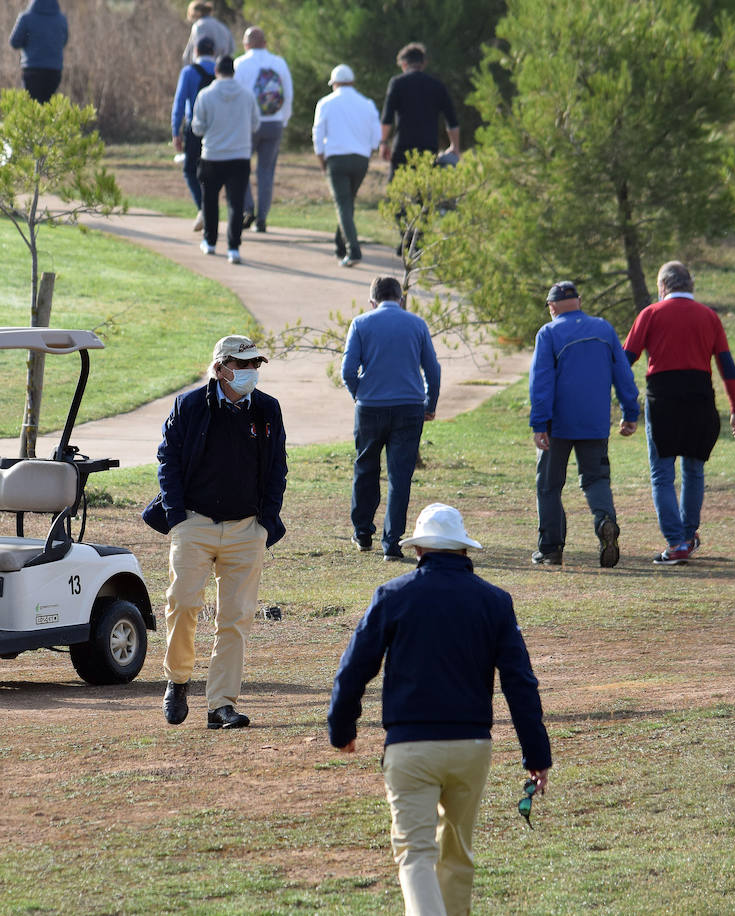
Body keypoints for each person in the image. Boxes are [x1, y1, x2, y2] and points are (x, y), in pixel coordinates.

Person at [328, 502, 552, 916]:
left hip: (410, 747)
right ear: (464, 551)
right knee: (457, 854)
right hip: (471, 747)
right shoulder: (495, 601)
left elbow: (354, 669)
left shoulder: (393, 596)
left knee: (415, 854)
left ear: (419, 551)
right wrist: (536, 755)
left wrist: (342, 728)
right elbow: (520, 682)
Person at [142, 335, 287, 730]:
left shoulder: (268, 410)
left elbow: (277, 470)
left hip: (247, 529)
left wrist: (265, 525)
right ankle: (177, 680)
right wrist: (176, 517)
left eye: (256, 364)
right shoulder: (189, 405)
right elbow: (167, 460)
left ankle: (221, 704)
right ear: (221, 368)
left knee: (235, 618)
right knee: (183, 603)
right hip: (194, 523)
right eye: (244, 365)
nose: (251, 372)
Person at [624, 261, 735, 565]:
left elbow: (625, 358)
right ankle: (688, 536)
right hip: (699, 396)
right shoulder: (709, 316)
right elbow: (727, 368)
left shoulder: (650, 314)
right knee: (694, 470)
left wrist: (620, 399)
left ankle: (676, 543)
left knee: (662, 474)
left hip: (663, 398)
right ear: (690, 285)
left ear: (663, 286)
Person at [528, 281, 640, 568]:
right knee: (596, 479)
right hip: (595, 421)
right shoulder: (603, 329)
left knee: (549, 485)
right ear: (579, 300)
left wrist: (539, 422)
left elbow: (541, 381)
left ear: (551, 307)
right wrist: (630, 412)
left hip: (558, 423)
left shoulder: (548, 333)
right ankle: (605, 521)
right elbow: (623, 374)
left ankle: (551, 549)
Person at [342, 275, 441, 562]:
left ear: (372, 301)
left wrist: (360, 394)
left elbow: (348, 370)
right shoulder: (417, 324)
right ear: (401, 298)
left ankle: (362, 533)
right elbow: (432, 370)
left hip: (370, 406)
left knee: (365, 467)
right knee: (400, 476)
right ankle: (392, 543)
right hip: (409, 406)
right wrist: (430, 403)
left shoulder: (361, 323)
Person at [191, 53, 259, 265]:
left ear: (216, 71)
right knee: (236, 203)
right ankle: (233, 248)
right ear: (233, 72)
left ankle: (210, 242)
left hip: (212, 155)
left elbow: (197, 127)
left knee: (209, 201)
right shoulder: (247, 95)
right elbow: (255, 124)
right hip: (239, 156)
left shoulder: (206, 95)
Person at [312, 64, 382, 267]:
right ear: (352, 82)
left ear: (334, 83)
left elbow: (318, 134)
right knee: (347, 202)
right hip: (361, 159)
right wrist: (368, 153)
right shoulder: (367, 103)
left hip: (336, 159)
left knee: (343, 204)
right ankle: (339, 245)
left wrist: (321, 161)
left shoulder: (325, 103)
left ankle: (354, 251)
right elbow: (375, 137)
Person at [233, 27, 293, 233]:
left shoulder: (240, 64)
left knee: (240, 167)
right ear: (265, 43)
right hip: (274, 123)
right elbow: (288, 94)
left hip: (248, 125)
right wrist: (282, 120)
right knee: (266, 172)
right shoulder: (279, 63)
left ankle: (247, 208)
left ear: (246, 44)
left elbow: (235, 96)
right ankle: (262, 219)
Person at [380, 42, 460, 177]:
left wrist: (383, 142)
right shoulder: (437, 85)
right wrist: (455, 146)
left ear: (404, 64)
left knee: (398, 193)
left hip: (403, 147)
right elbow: (452, 121)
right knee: (424, 193)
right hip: (429, 147)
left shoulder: (397, 83)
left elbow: (387, 119)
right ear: (424, 63)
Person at [172, 36, 217, 233]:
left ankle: (202, 208)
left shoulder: (189, 72)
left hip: (194, 128)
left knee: (190, 170)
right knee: (212, 172)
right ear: (214, 52)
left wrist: (176, 131)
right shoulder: (221, 71)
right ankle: (207, 209)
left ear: (196, 51)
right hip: (217, 129)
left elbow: (180, 102)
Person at [8, 0, 69, 104]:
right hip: (54, 72)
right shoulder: (61, 19)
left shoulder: (25, 18)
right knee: (49, 109)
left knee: (32, 110)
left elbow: (14, 42)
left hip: (32, 71)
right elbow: (64, 41)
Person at [180, 1, 232, 68]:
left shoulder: (198, 26)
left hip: (202, 71)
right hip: (222, 70)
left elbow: (189, 55)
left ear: (194, 13)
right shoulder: (223, 27)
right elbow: (231, 49)